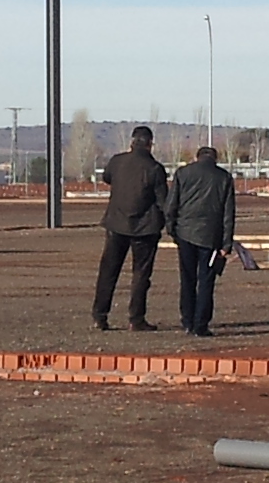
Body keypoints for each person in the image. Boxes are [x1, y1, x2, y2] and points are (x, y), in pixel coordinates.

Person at [92, 125, 170, 331]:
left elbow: (107, 177)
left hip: (116, 224)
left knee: (108, 271)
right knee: (140, 275)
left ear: (132, 142)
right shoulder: (155, 169)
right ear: (150, 144)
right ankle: (136, 318)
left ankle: (100, 315)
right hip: (145, 228)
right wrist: (169, 222)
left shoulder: (117, 162)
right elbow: (163, 201)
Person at [166, 142, 237, 338]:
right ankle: (201, 324)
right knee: (206, 281)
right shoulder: (224, 178)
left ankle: (187, 320)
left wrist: (172, 230)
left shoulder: (183, 173)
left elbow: (171, 204)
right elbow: (228, 213)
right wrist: (226, 244)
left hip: (185, 234)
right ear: (215, 159)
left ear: (197, 157)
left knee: (187, 279)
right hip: (211, 237)